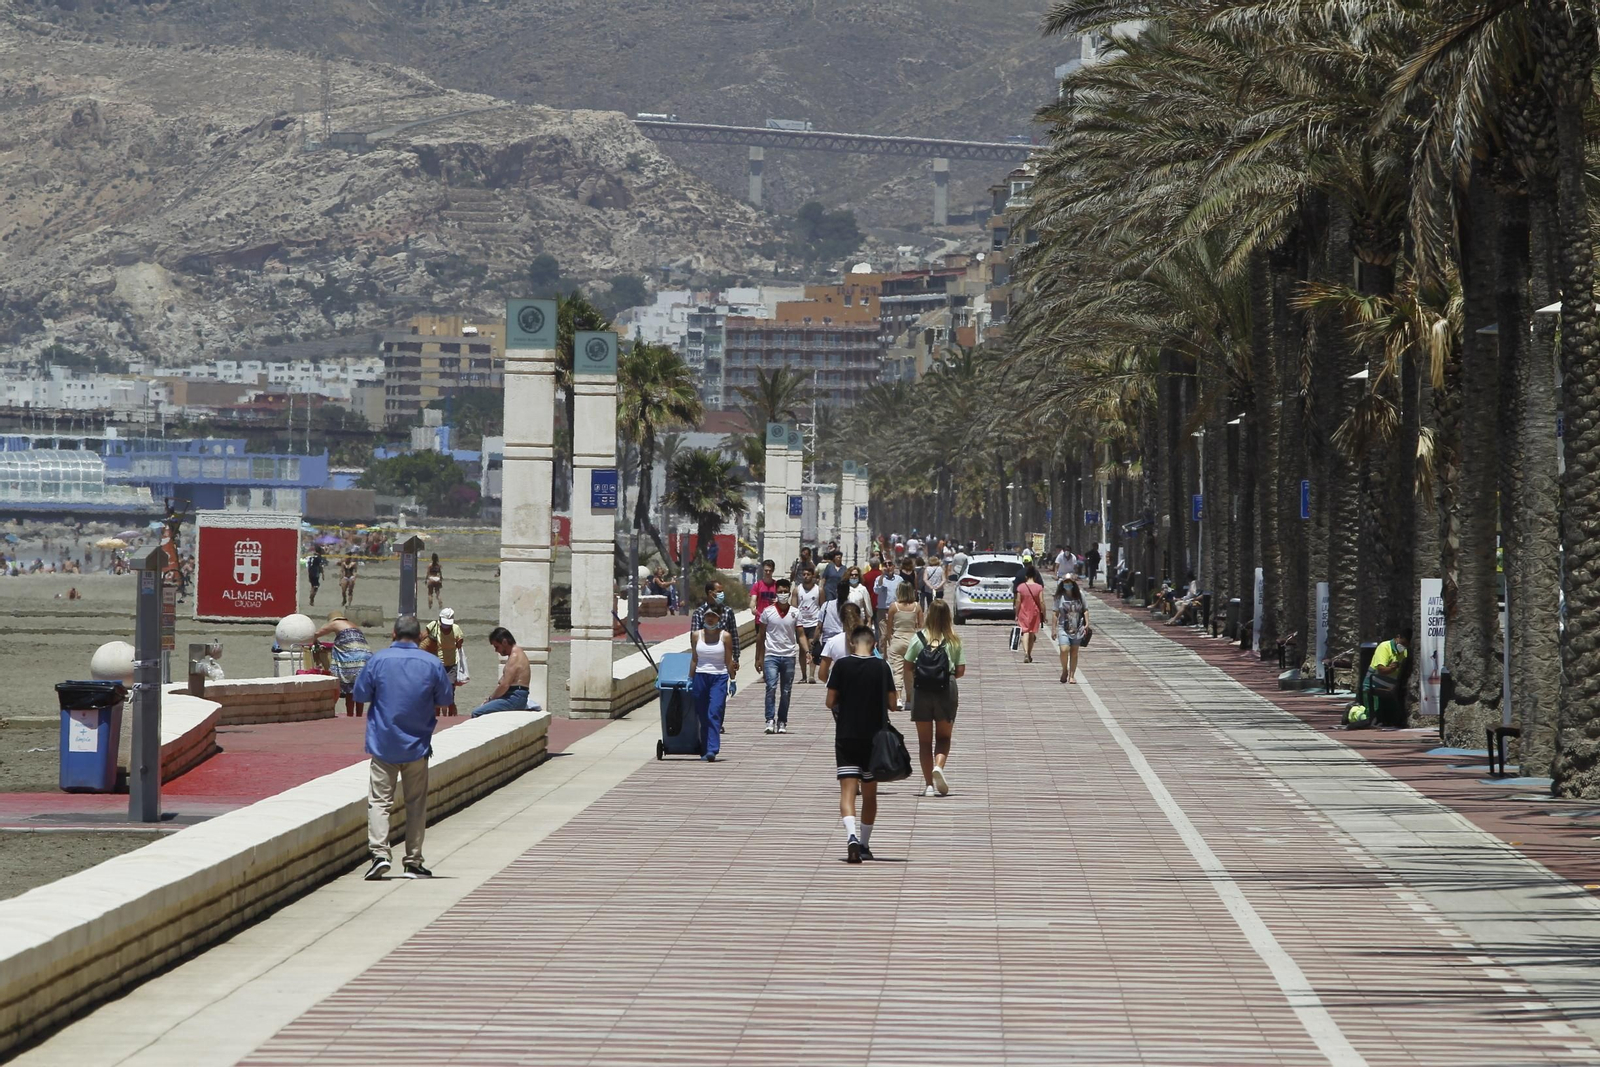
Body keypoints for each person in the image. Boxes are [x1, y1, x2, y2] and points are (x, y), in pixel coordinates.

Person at [354, 614, 455, 881]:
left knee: (379, 802)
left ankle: (379, 855)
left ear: (393, 634)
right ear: (421, 635)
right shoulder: (432, 663)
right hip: (417, 745)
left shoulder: (378, 660)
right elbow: (446, 698)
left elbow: (360, 694)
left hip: (383, 743)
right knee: (416, 804)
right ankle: (413, 861)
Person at [827, 624, 899, 863]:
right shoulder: (882, 666)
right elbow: (892, 703)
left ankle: (851, 836)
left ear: (851, 644)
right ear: (874, 644)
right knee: (869, 793)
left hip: (846, 735)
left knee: (848, 792)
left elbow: (830, 701)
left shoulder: (842, 665)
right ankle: (866, 844)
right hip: (875, 738)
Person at [902, 600, 965, 797]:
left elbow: (907, 665)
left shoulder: (918, 638)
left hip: (921, 691)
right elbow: (960, 670)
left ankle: (928, 785)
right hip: (946, 689)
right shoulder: (953, 639)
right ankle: (939, 766)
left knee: (924, 741)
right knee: (944, 737)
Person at [689, 604, 734, 762]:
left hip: (719, 677)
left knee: (714, 712)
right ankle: (705, 748)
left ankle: (712, 749)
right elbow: (694, 658)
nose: (710, 618)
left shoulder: (725, 636)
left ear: (719, 618)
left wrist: (732, 679)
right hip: (700, 677)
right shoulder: (696, 635)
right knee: (702, 715)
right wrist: (690, 678)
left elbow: (729, 660)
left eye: (713, 616)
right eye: (708, 615)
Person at [757, 578, 799, 734]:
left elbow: (800, 634)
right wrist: (758, 658)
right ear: (776, 592)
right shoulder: (768, 612)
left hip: (789, 656)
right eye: (779, 591)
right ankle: (769, 720)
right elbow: (760, 635)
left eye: (785, 592)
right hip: (771, 656)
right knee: (771, 687)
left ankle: (782, 721)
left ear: (789, 592)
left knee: (786, 691)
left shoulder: (795, 612)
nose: (782, 594)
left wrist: (807, 651)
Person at [317, 611, 372, 717]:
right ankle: (359, 716)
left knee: (349, 688)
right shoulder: (353, 625)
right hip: (365, 656)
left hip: (352, 656)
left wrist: (314, 641)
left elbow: (317, 633)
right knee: (358, 687)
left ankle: (350, 715)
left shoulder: (335, 623)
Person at [470, 627, 532, 716]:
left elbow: (504, 685)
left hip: (514, 697)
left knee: (477, 713)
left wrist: (490, 699)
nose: (496, 650)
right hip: (516, 695)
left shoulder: (514, 657)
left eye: (497, 647)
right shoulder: (518, 653)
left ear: (504, 642)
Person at [883, 578, 923, 704]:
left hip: (897, 640)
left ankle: (898, 697)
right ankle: (910, 700)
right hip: (912, 641)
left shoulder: (894, 607)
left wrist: (890, 641)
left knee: (897, 670)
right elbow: (921, 626)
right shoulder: (917, 606)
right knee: (910, 672)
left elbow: (889, 628)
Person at [421, 608, 466, 716]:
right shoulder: (433, 626)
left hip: (451, 665)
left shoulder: (456, 629)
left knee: (450, 691)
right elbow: (422, 638)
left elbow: (460, 643)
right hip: (436, 665)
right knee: (436, 691)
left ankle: (450, 717)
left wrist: (458, 642)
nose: (446, 627)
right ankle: (437, 717)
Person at [1364, 625, 1412, 726]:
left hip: (1390, 689)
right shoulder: (1385, 647)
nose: (1404, 647)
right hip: (1373, 687)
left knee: (1388, 719)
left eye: (1406, 645)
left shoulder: (1404, 652)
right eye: (1403, 643)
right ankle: (1352, 712)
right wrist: (1391, 668)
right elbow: (1381, 669)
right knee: (1368, 718)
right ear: (1398, 637)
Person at [691, 580, 740, 674]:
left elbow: (734, 635)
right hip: (704, 663)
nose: (722, 594)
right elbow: (694, 639)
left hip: (723, 662)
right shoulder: (699, 613)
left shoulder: (727, 611)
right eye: (719, 591)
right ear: (710, 593)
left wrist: (736, 658)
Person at [1053, 577, 1090, 684]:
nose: (1067, 585)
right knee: (1064, 649)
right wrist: (1053, 629)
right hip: (1063, 628)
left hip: (1077, 628)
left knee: (1074, 652)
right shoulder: (1059, 597)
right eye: (1065, 583)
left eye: (1069, 583)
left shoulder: (1080, 595)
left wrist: (1087, 623)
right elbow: (1055, 614)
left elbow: (1085, 610)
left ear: (1073, 584)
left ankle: (1072, 675)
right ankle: (1065, 670)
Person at [819, 602, 866, 683]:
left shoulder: (832, 642)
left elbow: (822, 674)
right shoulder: (867, 639)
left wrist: (835, 685)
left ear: (840, 619)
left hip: (841, 691)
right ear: (860, 616)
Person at [795, 566, 824, 684]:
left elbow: (822, 607)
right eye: (804, 574)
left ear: (813, 576)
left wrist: (821, 624)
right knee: (803, 650)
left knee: (811, 648)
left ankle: (811, 675)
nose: (806, 576)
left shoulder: (819, 590)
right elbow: (793, 607)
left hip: (813, 623)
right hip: (801, 624)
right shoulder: (797, 590)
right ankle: (803, 675)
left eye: (808, 574)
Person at [1013, 563, 1046, 663]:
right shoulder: (1039, 587)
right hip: (1035, 613)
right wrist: (1044, 614)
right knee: (1032, 633)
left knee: (1025, 632)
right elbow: (1041, 601)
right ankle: (1029, 653)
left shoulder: (1021, 587)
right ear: (1035, 576)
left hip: (1023, 612)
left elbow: (1018, 601)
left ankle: (1026, 653)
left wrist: (1016, 613)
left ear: (1026, 576)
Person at [874, 560, 905, 636]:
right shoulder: (879, 579)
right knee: (883, 635)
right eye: (885, 565)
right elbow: (877, 591)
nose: (888, 567)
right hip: (883, 610)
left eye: (890, 564)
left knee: (895, 634)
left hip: (896, 610)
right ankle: (883, 648)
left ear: (893, 566)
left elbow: (903, 594)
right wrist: (882, 575)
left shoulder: (899, 579)